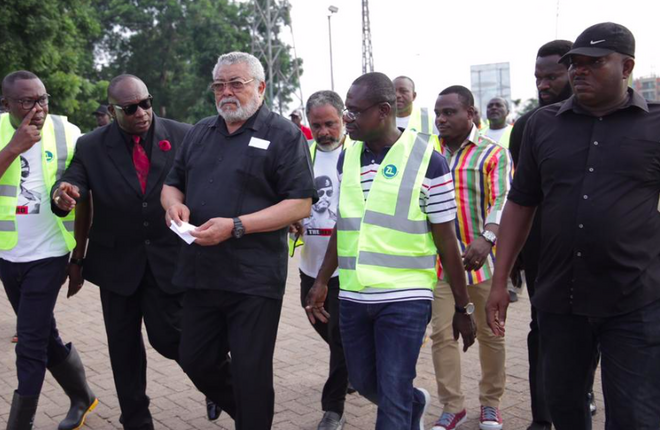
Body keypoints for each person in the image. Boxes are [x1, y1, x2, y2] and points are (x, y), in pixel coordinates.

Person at [486, 22, 660, 430]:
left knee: (636, 417)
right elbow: (521, 202)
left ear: (626, 66)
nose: (579, 71)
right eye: (574, 64)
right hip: (559, 300)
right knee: (564, 412)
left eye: (593, 63)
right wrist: (499, 281)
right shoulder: (541, 126)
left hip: (634, 302)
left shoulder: (654, 126)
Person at [305, 72, 477, 430]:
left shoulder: (430, 162)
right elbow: (345, 224)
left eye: (354, 111)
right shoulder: (347, 159)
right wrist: (322, 279)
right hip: (353, 295)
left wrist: (463, 306)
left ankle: (402, 406)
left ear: (383, 111)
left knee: (393, 390)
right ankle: (414, 404)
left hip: (406, 297)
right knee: (367, 383)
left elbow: (447, 240)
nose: (347, 118)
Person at [50, 74, 220, 429]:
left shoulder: (184, 135)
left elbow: (210, 184)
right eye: (130, 108)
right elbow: (73, 179)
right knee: (123, 350)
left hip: (169, 261)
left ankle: (221, 384)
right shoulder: (92, 145)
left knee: (174, 340)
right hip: (116, 266)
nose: (142, 112)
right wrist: (62, 193)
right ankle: (136, 419)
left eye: (146, 102)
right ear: (113, 111)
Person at [161, 51, 315, 430]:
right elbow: (171, 184)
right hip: (201, 271)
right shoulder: (200, 131)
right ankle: (249, 413)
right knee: (195, 358)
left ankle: (252, 418)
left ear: (260, 88)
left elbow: (300, 204)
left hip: (253, 277)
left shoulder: (283, 134)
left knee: (251, 372)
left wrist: (236, 225)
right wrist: (173, 206)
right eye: (219, 85)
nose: (226, 92)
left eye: (236, 83)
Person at [0, 70, 97, 430]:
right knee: (42, 333)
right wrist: (14, 147)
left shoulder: (69, 132)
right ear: (6, 104)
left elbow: (86, 201)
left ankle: (20, 424)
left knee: (29, 343)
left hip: (50, 254)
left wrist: (78, 258)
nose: (39, 108)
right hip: (5, 255)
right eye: (27, 101)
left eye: (43, 99)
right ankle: (82, 397)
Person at [428, 86, 512, 430]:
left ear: (470, 114)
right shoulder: (426, 153)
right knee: (442, 334)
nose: (441, 119)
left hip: (482, 262)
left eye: (449, 112)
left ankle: (490, 402)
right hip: (437, 264)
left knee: (492, 332)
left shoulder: (492, 154)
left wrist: (487, 238)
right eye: (438, 113)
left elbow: (503, 198)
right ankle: (452, 405)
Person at [509, 39, 577, 430]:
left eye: (552, 75)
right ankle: (541, 414)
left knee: (591, 329)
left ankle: (578, 395)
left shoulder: (600, 122)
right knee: (543, 328)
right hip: (540, 250)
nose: (543, 83)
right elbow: (521, 196)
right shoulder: (529, 126)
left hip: (592, 250)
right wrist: (515, 254)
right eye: (539, 76)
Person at [289, 90, 350, 430]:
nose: (324, 132)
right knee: (320, 322)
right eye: (317, 125)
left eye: (331, 124)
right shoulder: (304, 155)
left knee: (340, 335)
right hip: (309, 263)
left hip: (346, 268)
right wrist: (291, 220)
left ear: (343, 119)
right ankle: (354, 367)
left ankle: (333, 408)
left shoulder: (357, 154)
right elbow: (290, 198)